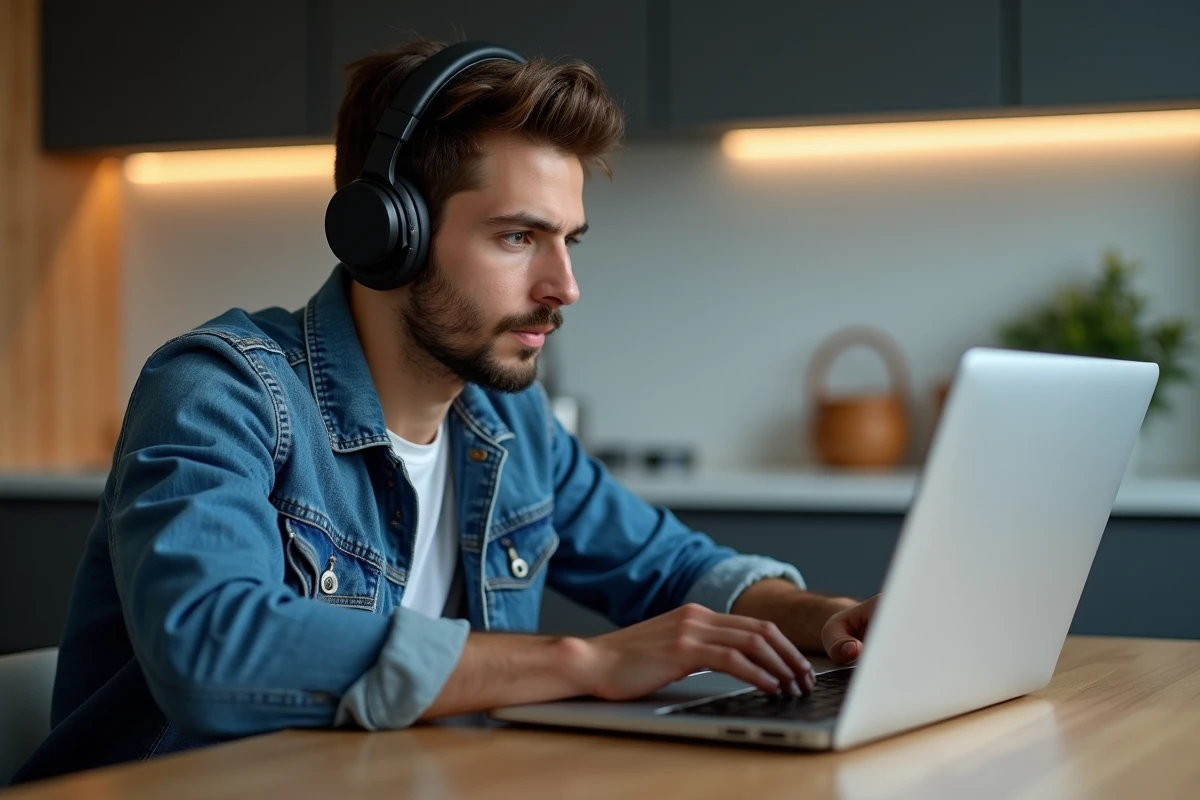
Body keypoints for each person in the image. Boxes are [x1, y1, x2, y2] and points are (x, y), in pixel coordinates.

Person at [12, 39, 877, 784]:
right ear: (388, 235)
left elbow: (667, 568)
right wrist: (584, 661)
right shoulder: (221, 392)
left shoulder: (507, 424)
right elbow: (211, 648)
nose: (562, 289)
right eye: (516, 237)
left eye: (566, 242)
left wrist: (825, 621)